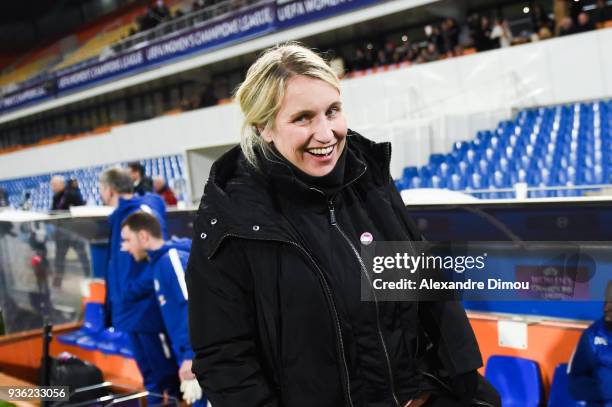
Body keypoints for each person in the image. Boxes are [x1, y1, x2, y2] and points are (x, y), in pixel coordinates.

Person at [186, 43, 500, 407]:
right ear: (265, 127)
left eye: (332, 111)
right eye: (303, 118)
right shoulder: (232, 218)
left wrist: (463, 386)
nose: (326, 133)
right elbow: (225, 359)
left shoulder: (368, 178)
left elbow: (427, 289)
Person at [98, 168, 179, 405]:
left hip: (145, 309)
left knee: (164, 377)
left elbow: (157, 253)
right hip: (130, 309)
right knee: (151, 377)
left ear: (109, 189)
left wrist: (130, 291)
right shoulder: (120, 217)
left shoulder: (140, 212)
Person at [120, 211, 206, 406]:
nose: (125, 247)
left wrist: (191, 356)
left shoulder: (171, 260)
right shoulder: (158, 265)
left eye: (127, 240)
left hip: (201, 358)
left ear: (143, 236)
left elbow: (193, 306)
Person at [568, 281, 612, 406]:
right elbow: (575, 385)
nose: (607, 308)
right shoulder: (591, 336)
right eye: (607, 301)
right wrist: (606, 389)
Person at [50, 176, 90, 287]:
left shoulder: (72, 194)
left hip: (75, 232)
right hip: (61, 232)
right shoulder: (56, 197)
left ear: (61, 184)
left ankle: (89, 277)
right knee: (59, 258)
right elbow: (53, 212)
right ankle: (58, 281)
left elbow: (81, 209)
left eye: (54, 184)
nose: (52, 187)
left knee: (83, 256)